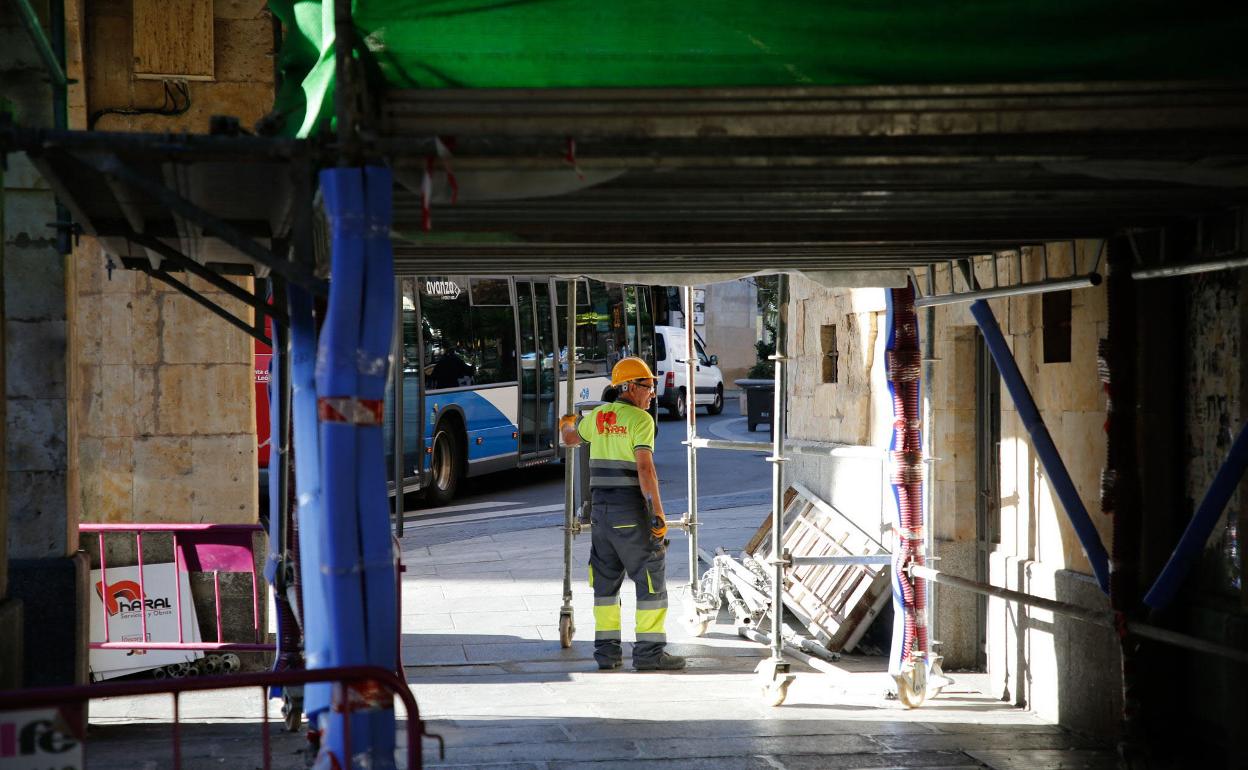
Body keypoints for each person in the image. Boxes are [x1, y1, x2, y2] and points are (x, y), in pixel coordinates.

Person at [559, 357, 686, 672]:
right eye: (648, 385)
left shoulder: (599, 416)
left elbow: (570, 438)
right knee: (650, 576)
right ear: (629, 387)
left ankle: (606, 653)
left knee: (604, 584)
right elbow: (645, 468)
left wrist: (566, 421)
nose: (653, 393)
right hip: (629, 509)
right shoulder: (641, 421)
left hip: (600, 514)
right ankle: (649, 653)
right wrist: (657, 514)